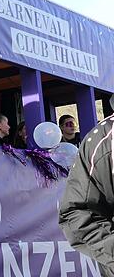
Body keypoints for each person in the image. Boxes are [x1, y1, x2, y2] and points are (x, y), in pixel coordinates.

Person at [59, 114, 114, 276]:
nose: (72, 126)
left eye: (73, 123)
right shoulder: (103, 139)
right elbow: (77, 211)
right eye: (68, 124)